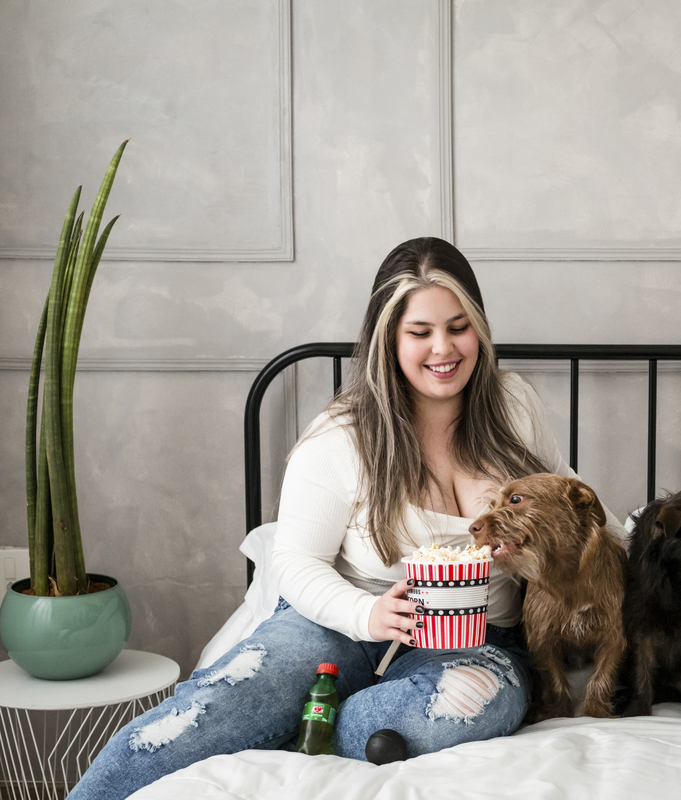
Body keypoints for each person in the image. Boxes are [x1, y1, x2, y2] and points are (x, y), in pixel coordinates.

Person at [71, 237, 601, 799]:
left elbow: (578, 512)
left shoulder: (513, 406)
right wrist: (367, 614)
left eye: (459, 325)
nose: (443, 348)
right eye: (419, 332)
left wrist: (551, 557)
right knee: (218, 704)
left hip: (476, 637)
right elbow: (295, 561)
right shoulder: (344, 433)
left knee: (470, 707)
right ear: (387, 339)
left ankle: (318, 722)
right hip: (338, 619)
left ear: (480, 327)